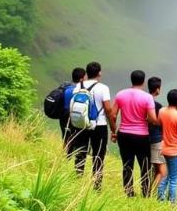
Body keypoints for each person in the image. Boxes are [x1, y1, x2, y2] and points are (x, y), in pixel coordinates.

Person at [110, 70, 158, 198]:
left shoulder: (120, 94)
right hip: (141, 136)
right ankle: (146, 192)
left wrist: (113, 132)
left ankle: (129, 193)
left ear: (131, 80)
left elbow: (113, 115)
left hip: (124, 134)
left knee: (127, 164)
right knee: (145, 165)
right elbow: (153, 119)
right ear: (143, 81)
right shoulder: (147, 97)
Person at [67, 61, 114, 189]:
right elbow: (108, 109)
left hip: (81, 123)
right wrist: (113, 128)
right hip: (99, 125)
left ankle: (78, 179)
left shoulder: (78, 86)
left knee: (81, 151)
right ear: (99, 73)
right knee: (98, 155)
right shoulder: (103, 88)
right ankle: (96, 184)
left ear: (87, 73)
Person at [147, 76, 166, 196]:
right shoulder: (157, 105)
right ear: (158, 89)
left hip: (144, 138)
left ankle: (149, 190)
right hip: (156, 139)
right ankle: (151, 193)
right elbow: (161, 124)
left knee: (152, 168)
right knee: (162, 171)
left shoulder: (142, 101)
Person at [60, 66, 85, 148]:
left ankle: (65, 158)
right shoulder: (79, 91)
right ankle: (71, 156)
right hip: (74, 117)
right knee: (76, 139)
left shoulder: (66, 88)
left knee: (66, 138)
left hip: (63, 116)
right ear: (81, 79)